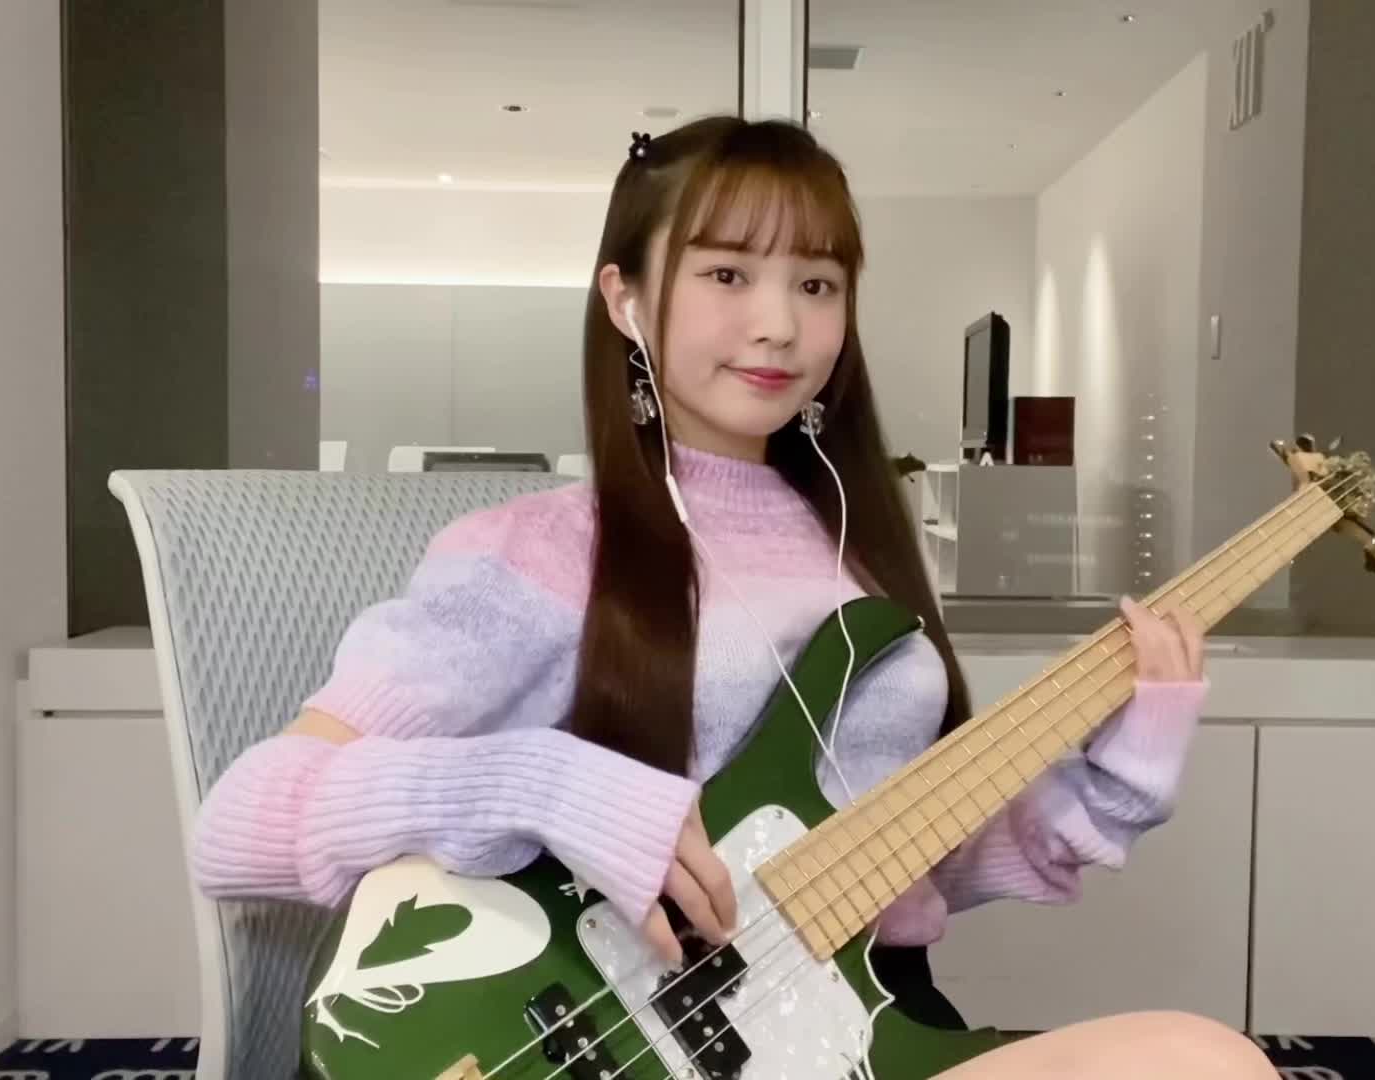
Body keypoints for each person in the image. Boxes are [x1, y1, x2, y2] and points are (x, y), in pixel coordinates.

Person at [192, 116, 1277, 1080]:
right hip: (614, 1035)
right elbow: (241, 824)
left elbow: (900, 871)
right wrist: (547, 783)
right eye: (726, 274)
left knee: (1207, 1063)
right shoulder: (534, 553)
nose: (779, 325)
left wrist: (1116, 783)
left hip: (855, 1033)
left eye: (817, 284)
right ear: (624, 298)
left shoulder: (857, 555)